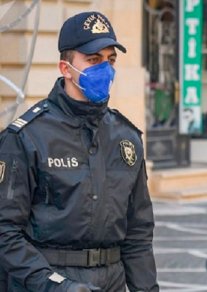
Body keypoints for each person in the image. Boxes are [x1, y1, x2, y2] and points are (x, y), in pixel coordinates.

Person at [0, 11, 159, 291]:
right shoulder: (26, 137)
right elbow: (5, 232)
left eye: (110, 60)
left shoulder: (127, 138)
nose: (105, 69)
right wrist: (57, 286)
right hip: (48, 282)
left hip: (113, 280)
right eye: (93, 60)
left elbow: (138, 234)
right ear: (65, 68)